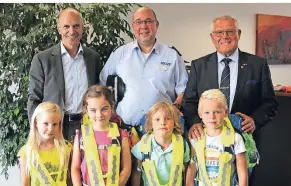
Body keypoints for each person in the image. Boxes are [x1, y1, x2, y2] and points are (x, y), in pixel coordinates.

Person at [182, 15, 278, 140]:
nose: (225, 36)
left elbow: (270, 103)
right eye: (219, 32)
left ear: (238, 34)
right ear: (212, 37)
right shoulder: (198, 66)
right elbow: (189, 102)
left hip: (245, 138)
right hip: (207, 139)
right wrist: (194, 123)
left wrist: (254, 120)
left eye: (230, 31)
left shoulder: (258, 65)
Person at [100, 7, 188, 134]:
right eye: (139, 22)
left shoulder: (172, 55)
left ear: (156, 25)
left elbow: (184, 88)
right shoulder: (119, 54)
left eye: (148, 21)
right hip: (123, 129)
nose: (144, 26)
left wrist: (176, 107)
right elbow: (103, 84)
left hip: (160, 132)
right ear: (133, 26)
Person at [27, 8, 102, 142]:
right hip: (54, 127)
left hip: (87, 126)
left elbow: (98, 93)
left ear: (82, 28)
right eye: (66, 26)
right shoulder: (42, 59)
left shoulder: (93, 58)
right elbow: (34, 99)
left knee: (85, 163)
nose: (72, 31)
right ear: (59, 29)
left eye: (76, 26)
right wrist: (37, 131)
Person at [71, 85, 131, 186]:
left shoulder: (121, 134)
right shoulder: (81, 135)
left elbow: (126, 168)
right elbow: (75, 168)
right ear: (86, 110)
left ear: (112, 108)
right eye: (93, 110)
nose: (99, 115)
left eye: (104, 109)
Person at [186, 89, 247, 186]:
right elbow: (192, 165)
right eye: (207, 112)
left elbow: (242, 169)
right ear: (200, 114)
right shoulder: (196, 138)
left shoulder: (235, 138)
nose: (212, 117)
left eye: (217, 112)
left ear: (226, 112)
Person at [131, 101, 190, 186]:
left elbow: (185, 170)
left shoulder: (183, 145)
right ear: (151, 124)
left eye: (168, 118)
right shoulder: (142, 145)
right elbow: (136, 172)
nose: (163, 122)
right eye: (157, 119)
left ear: (174, 123)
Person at [18, 102, 72, 186]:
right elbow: (25, 184)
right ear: (36, 123)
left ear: (59, 125)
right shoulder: (26, 152)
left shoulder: (66, 148)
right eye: (46, 123)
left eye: (55, 124)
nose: (50, 129)